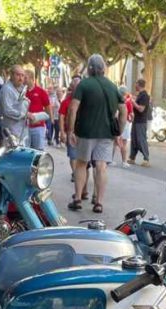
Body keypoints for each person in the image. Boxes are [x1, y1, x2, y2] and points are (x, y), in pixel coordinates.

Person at [66, 54, 126, 214]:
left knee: (81, 163)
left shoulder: (84, 85)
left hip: (85, 131)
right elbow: (123, 110)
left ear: (90, 68)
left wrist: (70, 130)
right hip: (106, 133)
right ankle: (99, 202)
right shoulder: (113, 87)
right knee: (101, 166)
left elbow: (73, 108)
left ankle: (78, 198)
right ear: (103, 68)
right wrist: (119, 130)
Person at [0, 65, 29, 144]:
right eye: (18, 75)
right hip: (10, 132)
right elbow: (7, 110)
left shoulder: (21, 88)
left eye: (22, 75)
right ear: (12, 75)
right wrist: (23, 114)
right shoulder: (7, 89)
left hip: (20, 131)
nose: (21, 78)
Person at [24, 69, 51, 149]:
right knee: (26, 151)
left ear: (32, 79)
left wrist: (42, 119)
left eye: (26, 78)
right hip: (24, 127)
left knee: (38, 151)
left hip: (38, 127)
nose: (23, 80)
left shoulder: (41, 92)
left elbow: (48, 109)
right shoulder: (22, 92)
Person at [128, 78, 151, 166]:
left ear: (139, 85)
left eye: (136, 84)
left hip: (141, 121)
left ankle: (146, 158)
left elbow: (141, 109)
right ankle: (132, 157)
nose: (135, 85)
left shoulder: (144, 96)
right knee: (134, 139)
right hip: (136, 120)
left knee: (141, 139)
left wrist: (133, 102)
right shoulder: (140, 95)